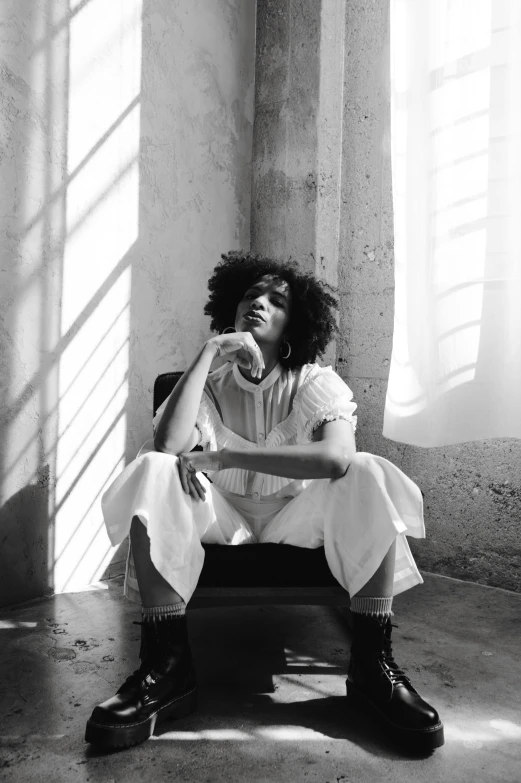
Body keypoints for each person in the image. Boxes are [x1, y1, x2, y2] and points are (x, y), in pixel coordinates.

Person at [85, 252, 444, 752]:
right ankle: (165, 669)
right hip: (221, 514)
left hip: (296, 517)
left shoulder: (317, 382)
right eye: (251, 295)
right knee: (154, 466)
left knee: (366, 467)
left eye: (277, 300)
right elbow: (169, 444)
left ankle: (372, 666)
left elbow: (336, 459)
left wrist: (226, 455)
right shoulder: (206, 383)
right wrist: (210, 351)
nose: (259, 303)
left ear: (295, 322)